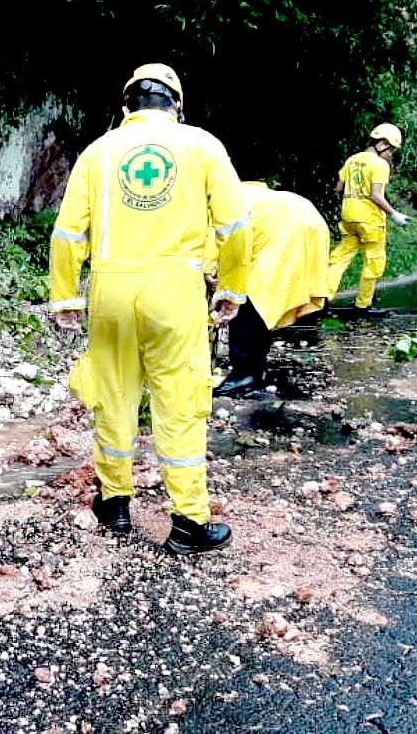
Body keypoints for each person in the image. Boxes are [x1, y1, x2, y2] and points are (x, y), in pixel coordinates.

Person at [49, 63, 253, 556]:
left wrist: (65, 295)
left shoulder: (97, 153)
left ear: (126, 108)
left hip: (110, 289)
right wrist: (232, 287)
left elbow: (67, 233)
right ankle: (188, 523)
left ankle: (114, 503)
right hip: (174, 289)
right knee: (179, 402)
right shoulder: (203, 145)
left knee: (114, 395)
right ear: (177, 106)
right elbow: (235, 226)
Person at [215, 182, 331, 399]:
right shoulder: (236, 191)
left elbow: (229, 251)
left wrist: (222, 285)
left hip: (286, 229)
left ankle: (245, 375)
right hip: (308, 219)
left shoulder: (217, 204)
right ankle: (254, 367)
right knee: (271, 294)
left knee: (248, 296)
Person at [325, 123, 412, 318]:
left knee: (339, 259)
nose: (391, 155)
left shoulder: (352, 160)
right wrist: (394, 214)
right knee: (374, 261)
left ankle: (321, 300)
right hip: (370, 220)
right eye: (391, 150)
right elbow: (376, 195)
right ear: (382, 143)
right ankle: (362, 305)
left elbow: (338, 189)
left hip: (349, 217)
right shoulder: (380, 164)